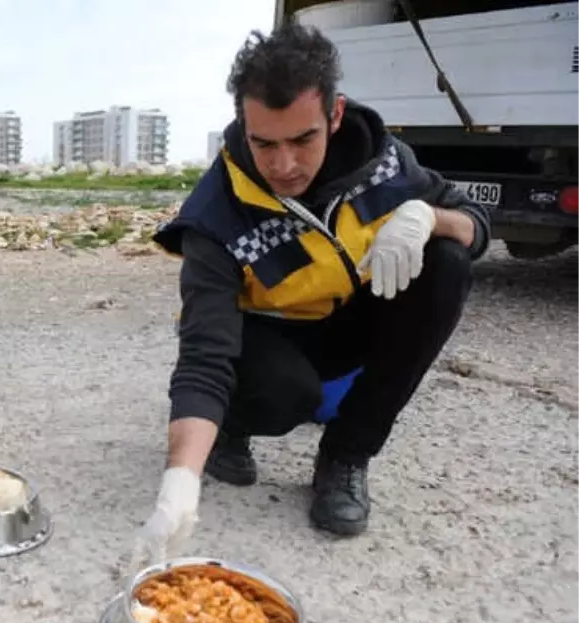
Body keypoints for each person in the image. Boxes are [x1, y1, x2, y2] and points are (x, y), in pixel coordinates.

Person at [133, 21, 491, 561]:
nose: (283, 166)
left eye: (304, 139)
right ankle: (229, 428)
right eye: (264, 144)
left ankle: (346, 457)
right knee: (285, 396)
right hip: (260, 341)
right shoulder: (216, 211)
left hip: (342, 324)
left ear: (335, 116)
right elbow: (205, 353)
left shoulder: (386, 164)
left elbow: (477, 224)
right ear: (242, 126)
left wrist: (426, 215)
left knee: (447, 261)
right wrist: (178, 484)